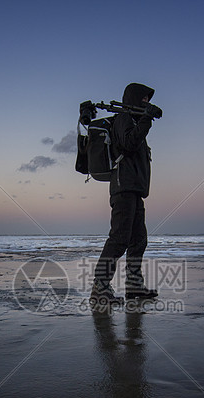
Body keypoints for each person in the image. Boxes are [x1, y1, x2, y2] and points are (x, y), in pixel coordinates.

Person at [90, 82, 163, 308]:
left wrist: (143, 119)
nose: (147, 103)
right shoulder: (123, 119)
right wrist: (146, 119)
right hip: (123, 189)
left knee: (139, 239)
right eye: (144, 100)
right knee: (119, 238)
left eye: (148, 101)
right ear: (134, 98)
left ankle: (133, 286)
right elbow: (129, 143)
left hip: (134, 190)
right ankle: (99, 288)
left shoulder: (132, 119)